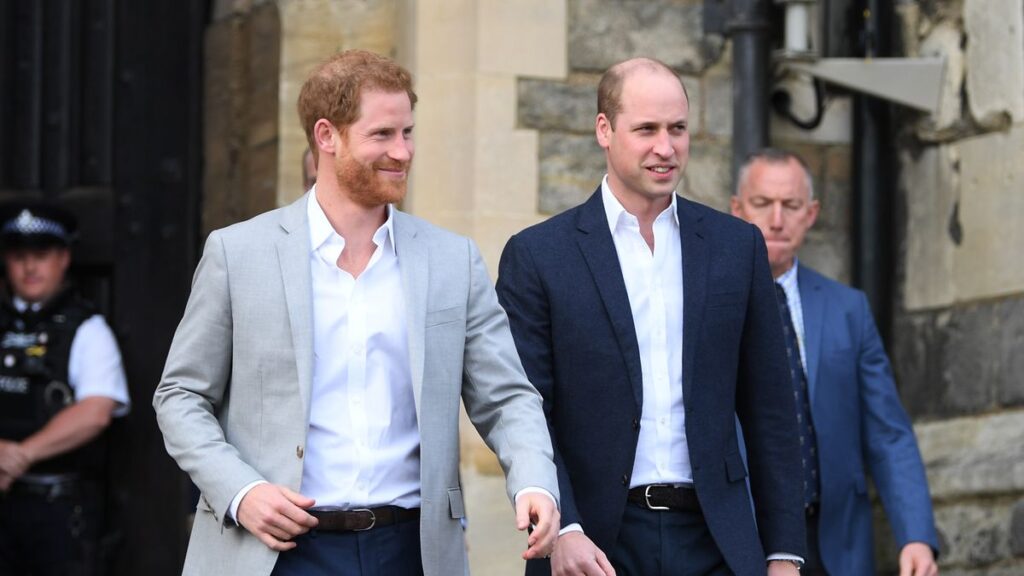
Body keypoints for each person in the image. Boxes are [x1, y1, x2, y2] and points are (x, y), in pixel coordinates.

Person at [153, 49, 559, 576]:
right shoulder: (237, 253)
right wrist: (241, 490)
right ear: (327, 136)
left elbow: (506, 396)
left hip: (411, 552)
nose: (404, 151)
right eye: (383, 135)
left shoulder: (451, 259)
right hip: (273, 554)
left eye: (408, 133)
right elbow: (180, 396)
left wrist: (532, 480)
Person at [497, 57, 805, 576]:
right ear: (604, 129)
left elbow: (771, 409)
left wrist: (783, 555)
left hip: (718, 541)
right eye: (646, 129)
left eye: (678, 129)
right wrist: (564, 528)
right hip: (594, 546)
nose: (666, 147)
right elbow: (528, 410)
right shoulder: (539, 256)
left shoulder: (736, 247)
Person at [730, 148, 940, 576]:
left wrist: (916, 535)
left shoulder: (849, 310)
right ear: (737, 209)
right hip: (740, 541)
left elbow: (888, 434)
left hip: (833, 543)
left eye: (790, 206)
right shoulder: (707, 304)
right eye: (762, 204)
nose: (776, 220)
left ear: (811, 213)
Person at [0, 203, 131, 575]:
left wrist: (21, 455)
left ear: (63, 258)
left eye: (40, 256)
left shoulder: (86, 329)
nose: (29, 268)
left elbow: (96, 411)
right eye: (19, 257)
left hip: (57, 510)